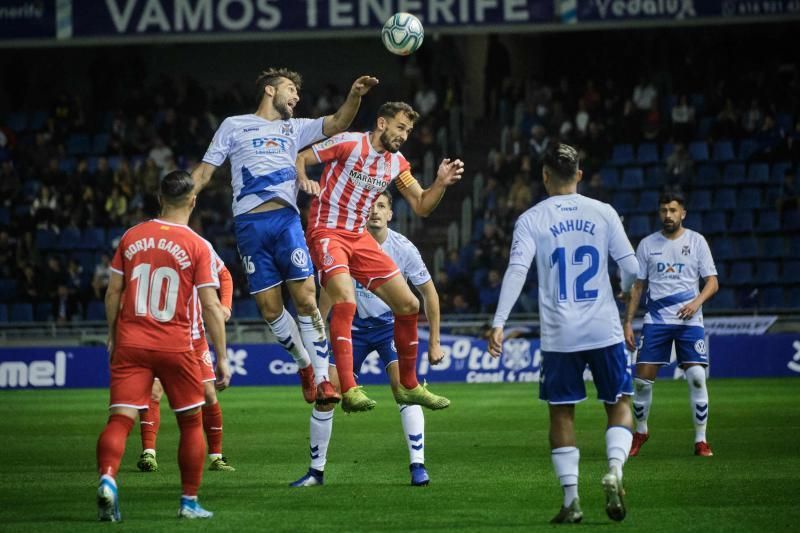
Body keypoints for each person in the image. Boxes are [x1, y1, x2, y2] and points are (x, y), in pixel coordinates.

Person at [191, 68, 378, 405]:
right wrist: (178, 208)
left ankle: (323, 379)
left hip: (286, 221)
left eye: (297, 92)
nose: (296, 97)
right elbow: (205, 171)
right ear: (268, 90)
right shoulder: (233, 126)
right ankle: (304, 365)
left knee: (307, 298)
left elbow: (337, 123)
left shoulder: (294, 128)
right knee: (269, 309)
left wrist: (355, 96)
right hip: (249, 226)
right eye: (290, 89)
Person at [488, 143, 640, 524]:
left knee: (561, 414)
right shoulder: (603, 212)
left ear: (543, 176)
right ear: (580, 174)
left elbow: (517, 272)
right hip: (603, 329)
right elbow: (633, 266)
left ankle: (572, 500)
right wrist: (623, 288)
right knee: (618, 403)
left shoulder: (531, 219)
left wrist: (499, 322)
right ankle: (615, 470)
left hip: (559, 335)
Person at [295, 101, 463, 412]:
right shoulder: (349, 143)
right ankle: (349, 388)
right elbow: (302, 156)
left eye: (409, 131)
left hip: (358, 236)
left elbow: (422, 205)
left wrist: (439, 183)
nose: (404, 135)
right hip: (327, 231)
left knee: (409, 304)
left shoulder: (397, 164)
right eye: (400, 127)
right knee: (345, 301)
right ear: (382, 124)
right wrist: (304, 178)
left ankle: (409, 385)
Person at [95, 170, 231, 521]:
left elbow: (113, 292)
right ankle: (188, 502)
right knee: (189, 424)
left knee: (120, 418)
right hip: (177, 345)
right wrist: (223, 357)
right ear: (192, 200)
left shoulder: (131, 236)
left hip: (131, 341)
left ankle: (108, 479)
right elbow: (211, 305)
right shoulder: (197, 245)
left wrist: (113, 334)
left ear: (160, 198)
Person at [290, 192, 444, 488]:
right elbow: (326, 293)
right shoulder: (343, 242)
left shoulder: (403, 248)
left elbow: (429, 293)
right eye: (370, 206)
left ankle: (418, 467)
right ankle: (315, 472)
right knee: (327, 395)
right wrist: (316, 343)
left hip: (389, 326)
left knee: (406, 389)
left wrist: (435, 341)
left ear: (390, 214)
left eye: (382, 206)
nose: (375, 211)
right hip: (352, 328)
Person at [623, 189, 718, 458]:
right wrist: (628, 322)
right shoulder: (647, 245)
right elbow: (638, 287)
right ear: (659, 213)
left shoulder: (697, 241)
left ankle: (701, 440)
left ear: (683, 213)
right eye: (664, 210)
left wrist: (696, 303)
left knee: (698, 378)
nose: (668, 215)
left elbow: (712, 282)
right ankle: (640, 431)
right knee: (641, 381)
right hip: (656, 321)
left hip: (690, 321)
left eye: (673, 210)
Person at [137, 243, 236, 473]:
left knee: (209, 393)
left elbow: (225, 274)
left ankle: (216, 457)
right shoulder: (149, 243)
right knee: (154, 390)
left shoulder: (199, 244)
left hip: (194, 337)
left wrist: (226, 306)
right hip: (158, 334)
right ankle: (148, 453)